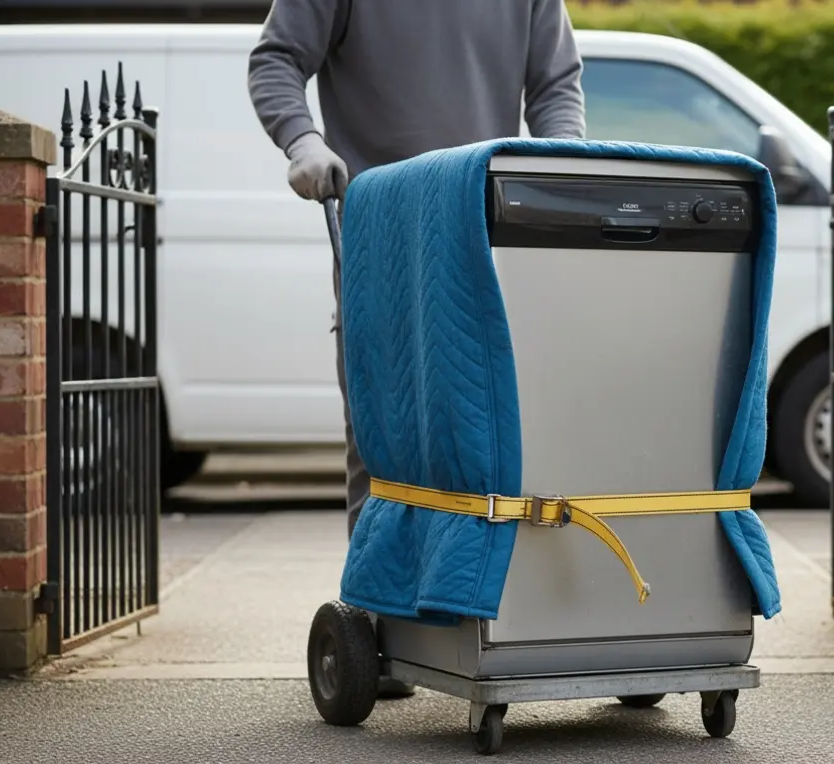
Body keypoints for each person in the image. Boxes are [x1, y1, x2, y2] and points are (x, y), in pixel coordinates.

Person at [247, 0, 586, 698]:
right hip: (384, 229)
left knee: (495, 432)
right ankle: (385, 618)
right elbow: (276, 59)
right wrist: (302, 141)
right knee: (384, 436)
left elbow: (555, 84)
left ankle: (499, 615)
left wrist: (562, 165)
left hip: (490, 229)